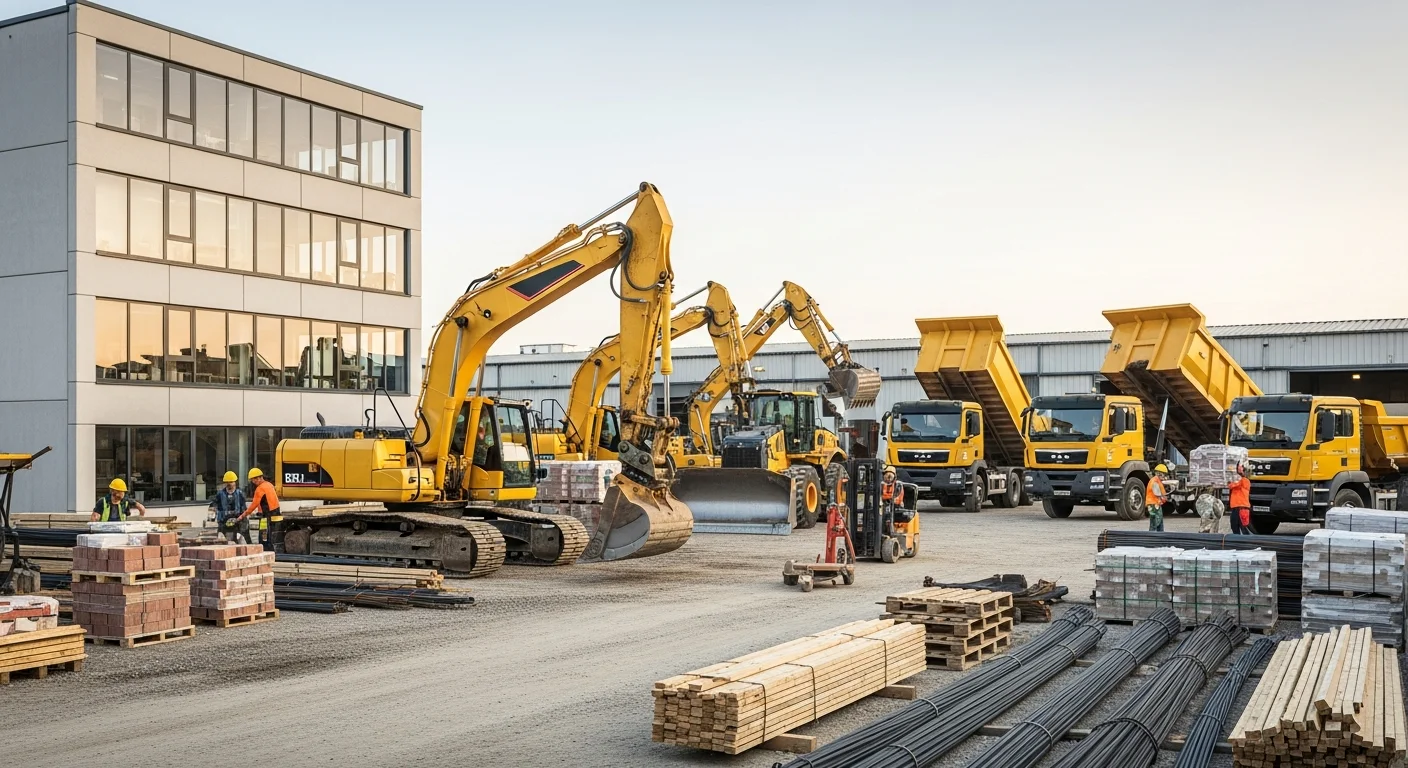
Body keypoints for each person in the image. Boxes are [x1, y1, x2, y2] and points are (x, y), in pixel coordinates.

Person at [237, 468, 281, 550]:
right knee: (272, 536)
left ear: (258, 478)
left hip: (266, 516)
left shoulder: (260, 489)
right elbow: (268, 500)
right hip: (276, 514)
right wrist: (259, 511)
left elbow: (254, 505)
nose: (253, 482)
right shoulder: (270, 485)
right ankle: (273, 551)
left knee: (263, 537)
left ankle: (265, 551)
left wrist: (242, 516)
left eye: (253, 480)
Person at [208, 471, 250, 544]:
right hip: (224, 521)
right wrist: (212, 514)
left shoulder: (240, 494)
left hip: (238, 522)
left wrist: (242, 520)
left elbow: (243, 509)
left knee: (243, 538)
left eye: (231, 482)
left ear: (235, 482)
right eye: (227, 482)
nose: (229, 484)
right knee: (223, 541)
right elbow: (213, 504)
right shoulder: (220, 494)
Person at [1145, 464, 1171, 532]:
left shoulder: (1157, 481)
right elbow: (1157, 493)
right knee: (1155, 523)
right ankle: (1153, 538)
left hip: (1156, 504)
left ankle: (1160, 537)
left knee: (1158, 522)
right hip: (1154, 504)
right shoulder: (1154, 481)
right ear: (1159, 474)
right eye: (1164, 475)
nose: (1165, 477)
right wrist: (1163, 498)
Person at [1228, 464, 1252, 534]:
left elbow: (1232, 485)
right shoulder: (1238, 481)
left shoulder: (1245, 480)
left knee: (1244, 528)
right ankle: (1237, 542)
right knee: (1234, 527)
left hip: (1242, 508)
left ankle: (1247, 543)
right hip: (1236, 508)